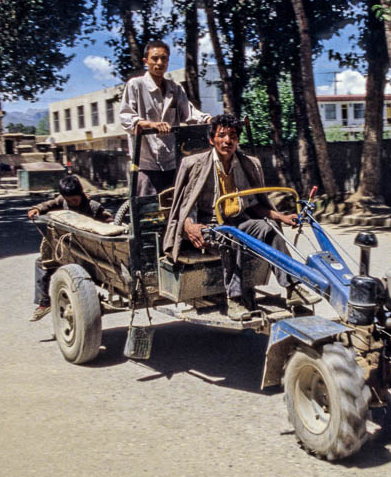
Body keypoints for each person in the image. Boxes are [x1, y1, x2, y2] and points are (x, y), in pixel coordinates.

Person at [163, 114, 308, 320]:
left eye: (232, 135)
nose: (227, 140)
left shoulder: (248, 164)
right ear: (212, 139)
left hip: (239, 220)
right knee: (233, 235)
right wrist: (189, 226)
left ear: (237, 140)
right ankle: (235, 299)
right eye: (221, 135)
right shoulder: (195, 165)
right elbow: (186, 207)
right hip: (210, 224)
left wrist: (280, 217)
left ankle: (293, 287)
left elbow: (256, 204)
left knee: (270, 228)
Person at [119, 40, 212, 196]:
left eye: (164, 58)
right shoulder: (135, 85)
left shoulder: (175, 88)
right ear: (145, 61)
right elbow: (126, 117)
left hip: (171, 161)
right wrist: (149, 124)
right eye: (155, 58)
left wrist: (209, 120)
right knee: (148, 212)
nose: (160, 63)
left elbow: (189, 113)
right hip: (146, 164)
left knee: (175, 207)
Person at [27, 175, 113, 322]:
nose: (72, 202)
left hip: (89, 252)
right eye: (69, 200)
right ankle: (44, 302)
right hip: (68, 249)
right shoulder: (62, 201)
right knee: (41, 263)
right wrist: (37, 209)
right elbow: (49, 204)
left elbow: (110, 221)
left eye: (75, 199)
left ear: (81, 194)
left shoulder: (93, 207)